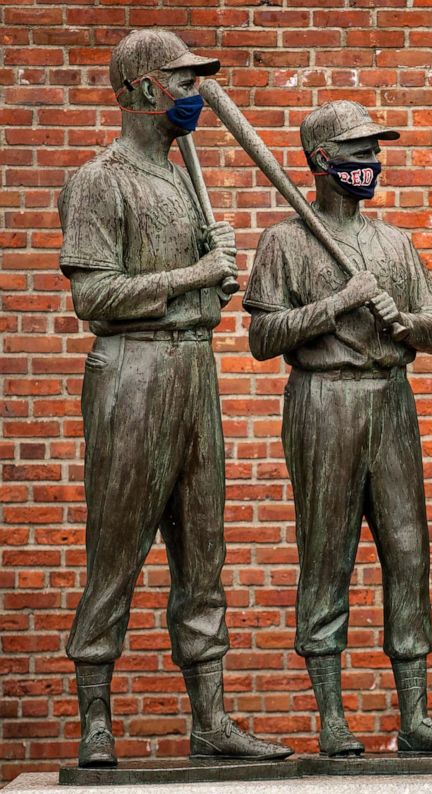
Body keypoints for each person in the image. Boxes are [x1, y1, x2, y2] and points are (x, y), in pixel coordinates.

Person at [58, 29, 291, 767]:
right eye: (181, 81)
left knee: (203, 551)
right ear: (138, 88)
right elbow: (94, 296)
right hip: (131, 373)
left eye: (197, 82)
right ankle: (97, 721)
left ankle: (211, 720)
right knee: (117, 549)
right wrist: (194, 278)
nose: (194, 95)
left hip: (194, 371)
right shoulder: (100, 179)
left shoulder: (184, 179)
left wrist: (213, 281)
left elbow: (196, 294)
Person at [244, 100, 432, 757]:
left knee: (408, 552)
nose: (371, 163)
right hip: (324, 399)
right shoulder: (285, 241)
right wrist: (338, 303)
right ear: (322, 160)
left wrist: (408, 324)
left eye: (375, 152)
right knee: (327, 553)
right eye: (358, 152)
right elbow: (263, 337)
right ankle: (332, 718)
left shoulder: (394, 243)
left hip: (391, 399)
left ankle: (416, 717)